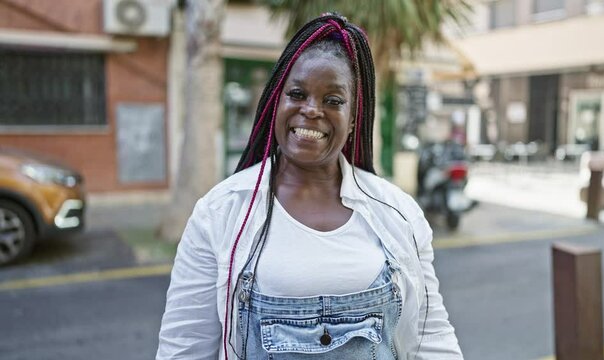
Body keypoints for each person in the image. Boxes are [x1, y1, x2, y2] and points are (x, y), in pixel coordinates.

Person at [157, 13, 463, 360]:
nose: (312, 110)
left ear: (352, 120)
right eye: (298, 94)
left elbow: (430, 336)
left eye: (333, 100)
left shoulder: (398, 213)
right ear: (277, 103)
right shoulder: (221, 212)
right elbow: (184, 349)